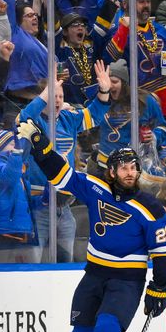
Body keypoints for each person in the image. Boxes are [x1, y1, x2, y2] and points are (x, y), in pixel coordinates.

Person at [16, 120, 166, 332]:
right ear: (112, 172)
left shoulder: (150, 207)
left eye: (134, 166)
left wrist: (160, 286)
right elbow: (61, 176)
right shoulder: (95, 188)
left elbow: (163, 252)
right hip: (93, 275)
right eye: (124, 167)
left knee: (106, 330)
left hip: (126, 281)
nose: (130, 171)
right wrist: (40, 144)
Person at [19, 66, 112, 263]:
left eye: (60, 96)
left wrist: (104, 91)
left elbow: (93, 116)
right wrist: (45, 94)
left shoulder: (68, 119)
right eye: (53, 96)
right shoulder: (33, 121)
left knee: (66, 263)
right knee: (33, 263)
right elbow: (23, 119)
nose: (58, 100)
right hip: (38, 206)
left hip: (65, 206)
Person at [106, 0, 166, 118]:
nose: (146, 5)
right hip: (132, 100)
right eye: (140, 1)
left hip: (162, 99)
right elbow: (110, 59)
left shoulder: (161, 30)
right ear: (125, 4)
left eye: (148, 1)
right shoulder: (117, 31)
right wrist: (124, 30)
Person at [0, 129, 36, 263]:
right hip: (1, 232)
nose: (16, 147)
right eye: (12, 144)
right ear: (0, 147)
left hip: (19, 231)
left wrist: (44, 200)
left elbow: (22, 201)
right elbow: (8, 177)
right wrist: (17, 154)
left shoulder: (17, 167)